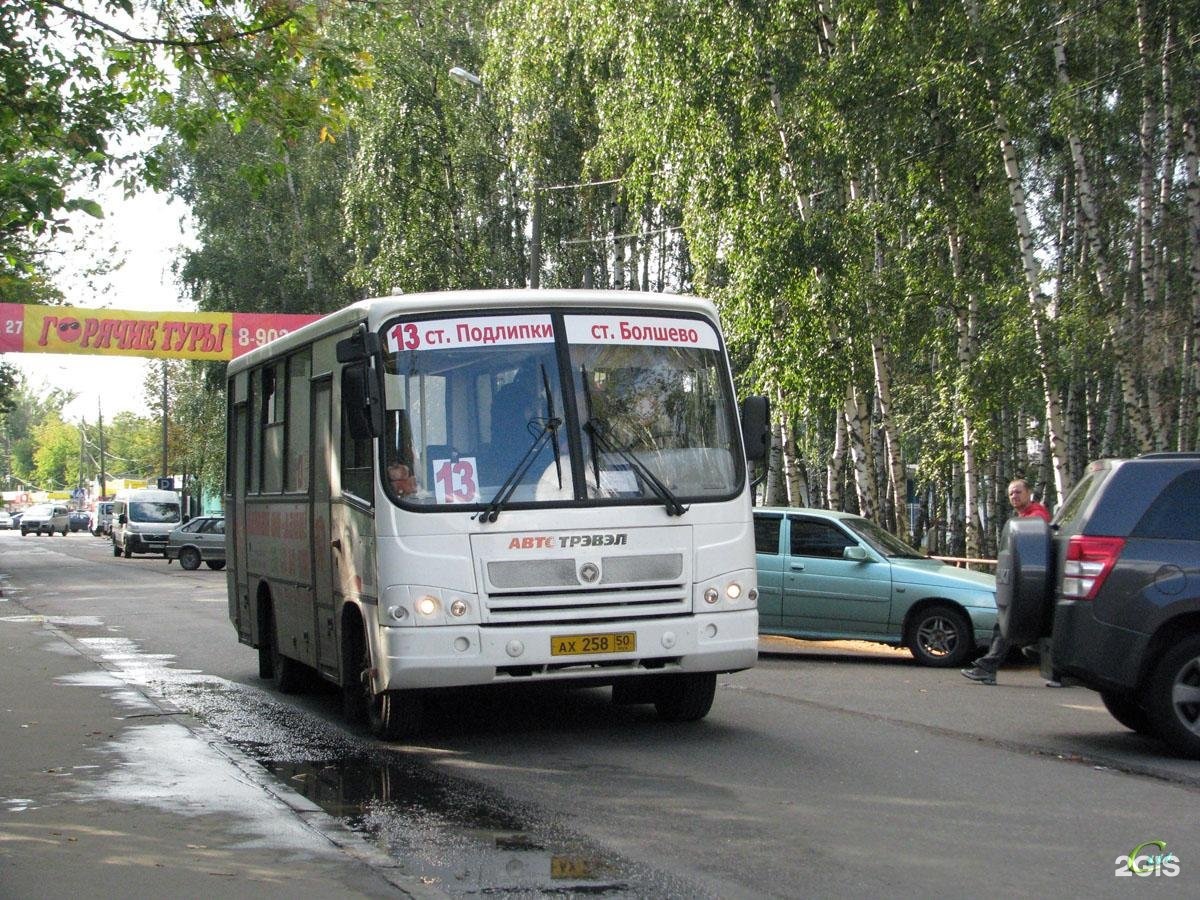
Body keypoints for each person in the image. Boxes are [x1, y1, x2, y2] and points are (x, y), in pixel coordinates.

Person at [961, 478, 1053, 686]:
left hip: (1033, 585)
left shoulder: (1036, 518)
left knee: (1008, 625)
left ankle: (988, 668)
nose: (1014, 496)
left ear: (1028, 493)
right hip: (1030, 586)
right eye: (1011, 493)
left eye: (1018, 492)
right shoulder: (1023, 519)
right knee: (1010, 626)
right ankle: (988, 668)